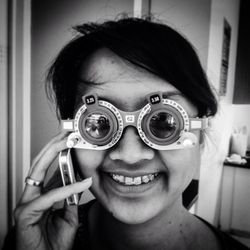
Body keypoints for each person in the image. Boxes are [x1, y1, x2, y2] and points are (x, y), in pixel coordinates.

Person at [3, 17, 249, 250]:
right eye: (99, 123)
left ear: (201, 129)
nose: (129, 155)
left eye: (163, 121)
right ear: (72, 136)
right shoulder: (34, 238)